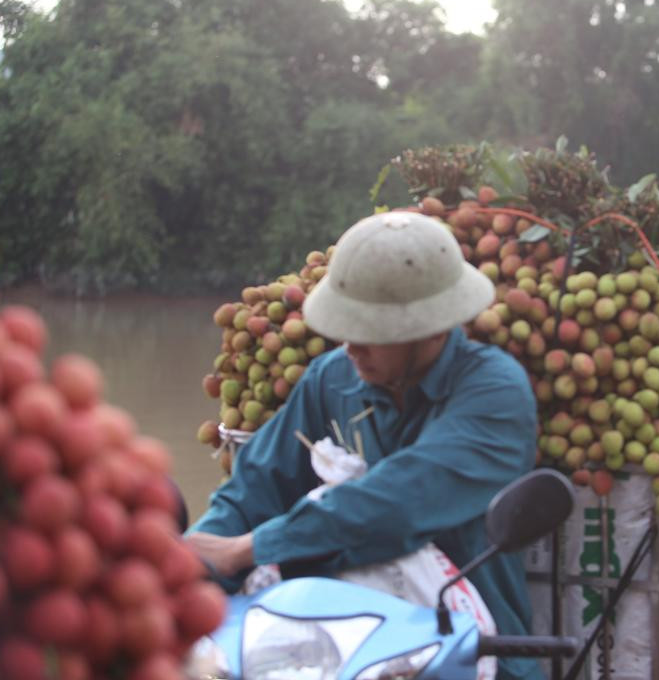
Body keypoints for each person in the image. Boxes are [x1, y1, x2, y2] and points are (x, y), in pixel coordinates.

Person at [186, 211, 543, 680]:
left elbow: (397, 501)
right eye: (346, 328)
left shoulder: (496, 392)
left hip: (471, 653)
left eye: (372, 333)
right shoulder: (332, 378)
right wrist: (193, 565)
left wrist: (246, 549)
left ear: (433, 328)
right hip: (337, 648)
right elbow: (254, 489)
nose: (351, 347)